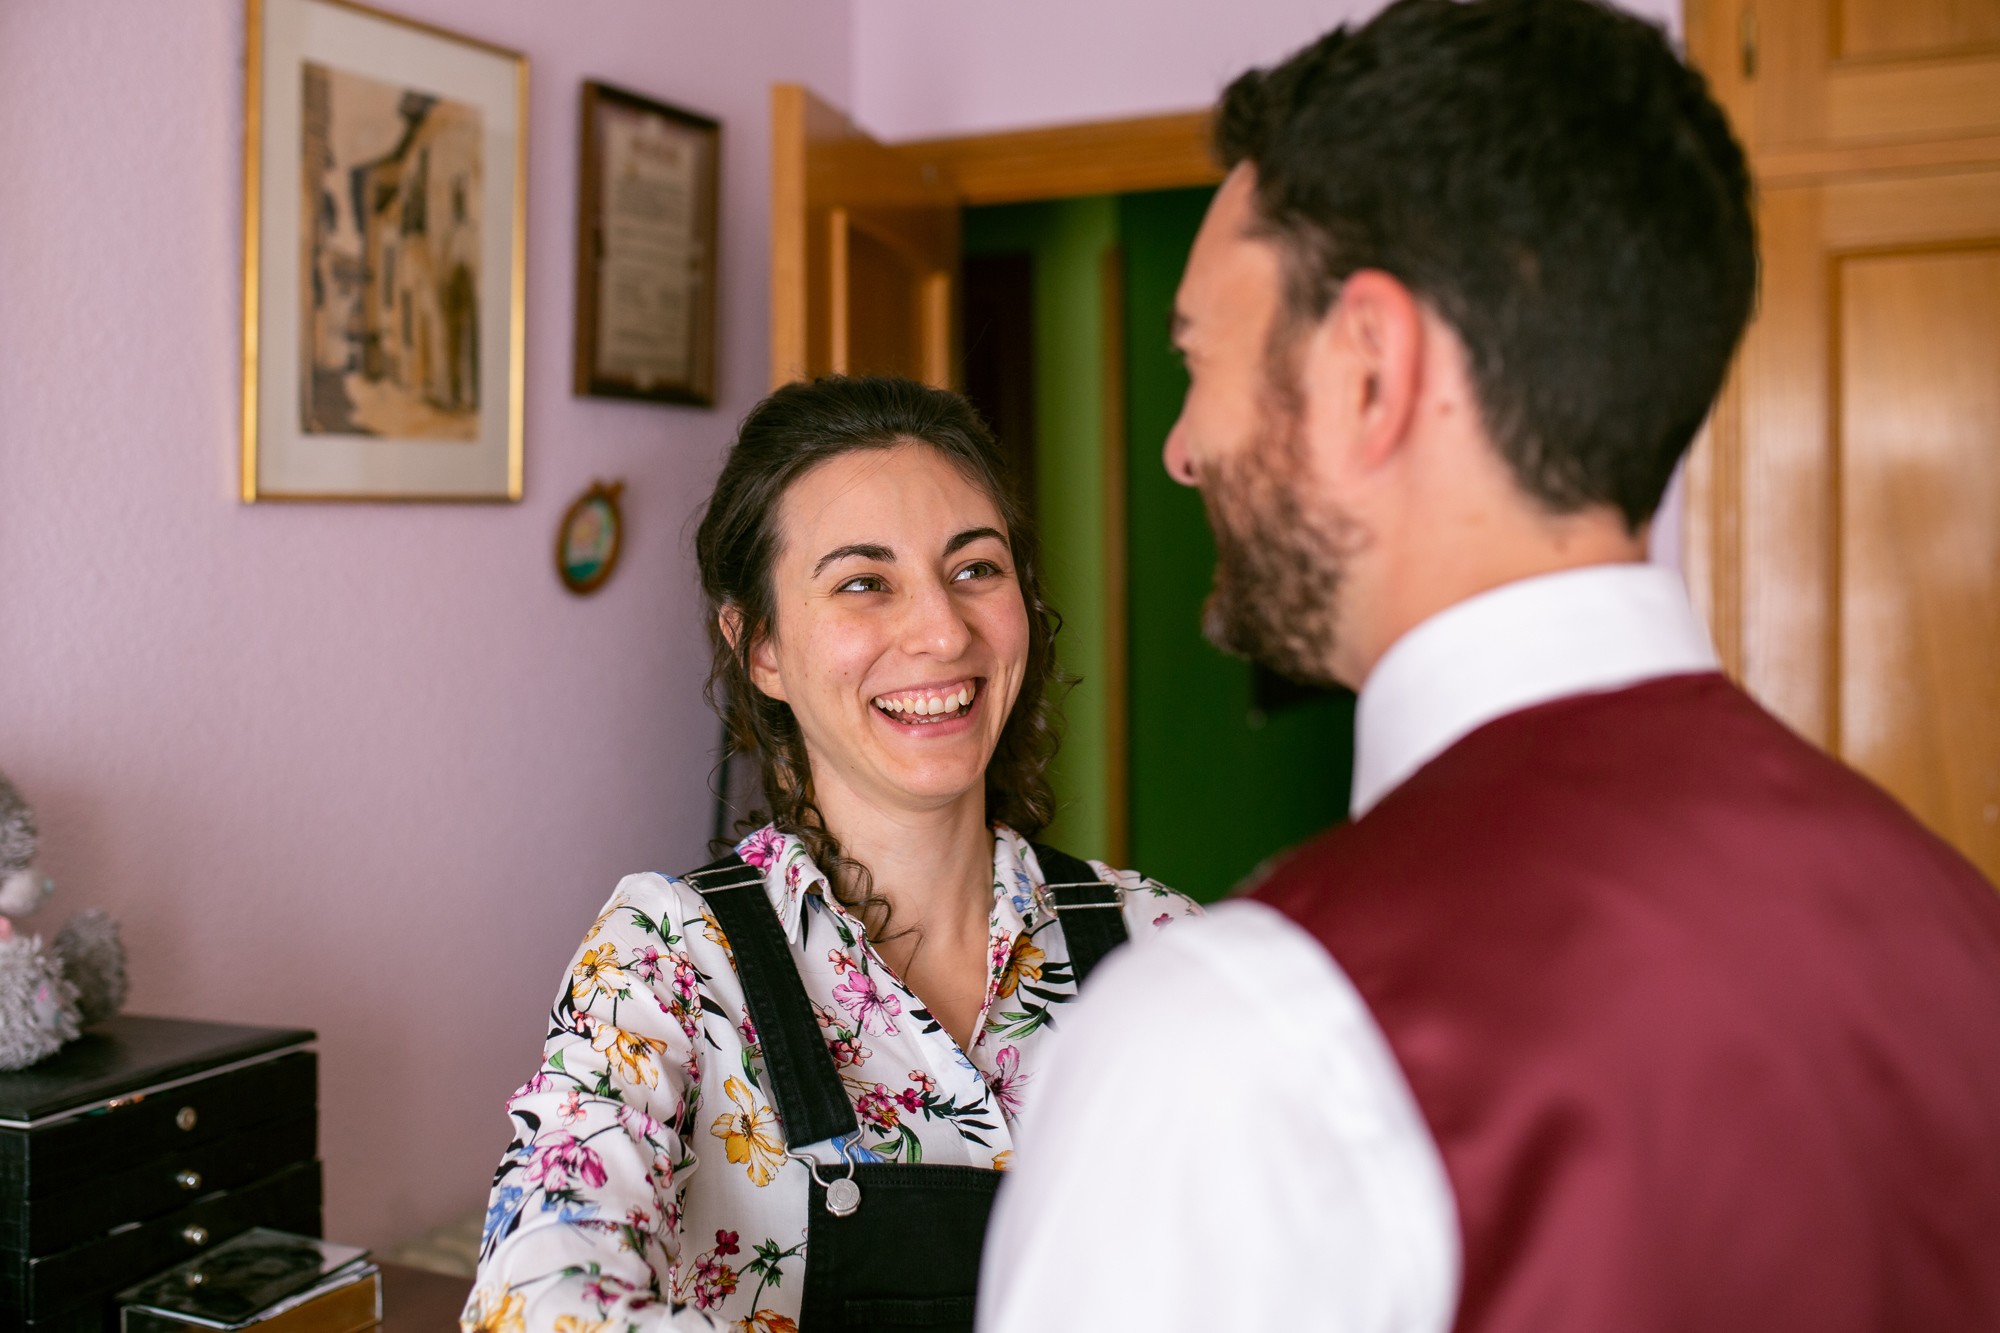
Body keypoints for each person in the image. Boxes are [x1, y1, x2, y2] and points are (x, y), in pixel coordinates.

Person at [979, 2, 2000, 1331]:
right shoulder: (1955, 928)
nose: (1182, 448)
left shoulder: (1238, 1041)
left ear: (1368, 370)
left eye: (1199, 359)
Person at [461, 376, 1195, 1333]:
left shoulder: (1166, 948)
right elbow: (534, 1297)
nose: (942, 629)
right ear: (758, 642)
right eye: (864, 582)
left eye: (976, 567)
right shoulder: (671, 960)